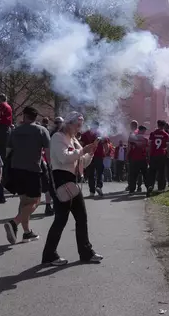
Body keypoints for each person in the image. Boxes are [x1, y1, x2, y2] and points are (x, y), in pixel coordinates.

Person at [42, 112, 103, 265]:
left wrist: (91, 152)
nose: (78, 129)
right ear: (68, 124)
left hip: (71, 181)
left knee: (79, 217)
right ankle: (51, 254)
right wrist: (83, 150)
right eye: (77, 125)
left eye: (80, 126)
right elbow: (64, 158)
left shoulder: (73, 139)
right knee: (62, 219)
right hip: (61, 180)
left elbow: (82, 162)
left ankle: (85, 253)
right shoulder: (58, 137)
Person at [4, 106, 50, 244]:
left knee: (24, 202)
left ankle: (26, 232)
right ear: (35, 117)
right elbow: (48, 153)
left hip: (16, 169)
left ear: (24, 116)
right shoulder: (42, 130)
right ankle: (14, 222)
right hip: (33, 169)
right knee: (36, 201)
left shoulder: (15, 131)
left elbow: (7, 152)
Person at [80, 122, 109, 197]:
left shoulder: (85, 134)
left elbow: (81, 145)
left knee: (90, 174)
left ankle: (92, 191)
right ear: (98, 126)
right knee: (100, 173)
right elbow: (106, 146)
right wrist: (105, 154)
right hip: (99, 156)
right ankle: (99, 186)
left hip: (88, 156)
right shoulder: (101, 133)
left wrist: (82, 155)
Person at [147, 120, 169, 196]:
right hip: (161, 156)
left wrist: (149, 155)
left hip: (153, 155)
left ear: (157, 125)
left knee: (152, 172)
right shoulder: (166, 135)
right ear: (164, 126)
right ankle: (161, 188)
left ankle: (150, 186)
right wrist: (168, 155)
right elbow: (168, 147)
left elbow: (149, 146)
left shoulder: (153, 134)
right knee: (161, 172)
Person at [127, 126, 149, 194]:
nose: (145, 132)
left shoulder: (132, 138)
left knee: (133, 175)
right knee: (145, 175)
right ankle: (148, 188)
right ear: (142, 131)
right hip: (143, 159)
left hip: (134, 159)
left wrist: (127, 157)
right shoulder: (145, 139)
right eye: (144, 131)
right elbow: (148, 150)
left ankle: (131, 190)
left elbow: (129, 148)